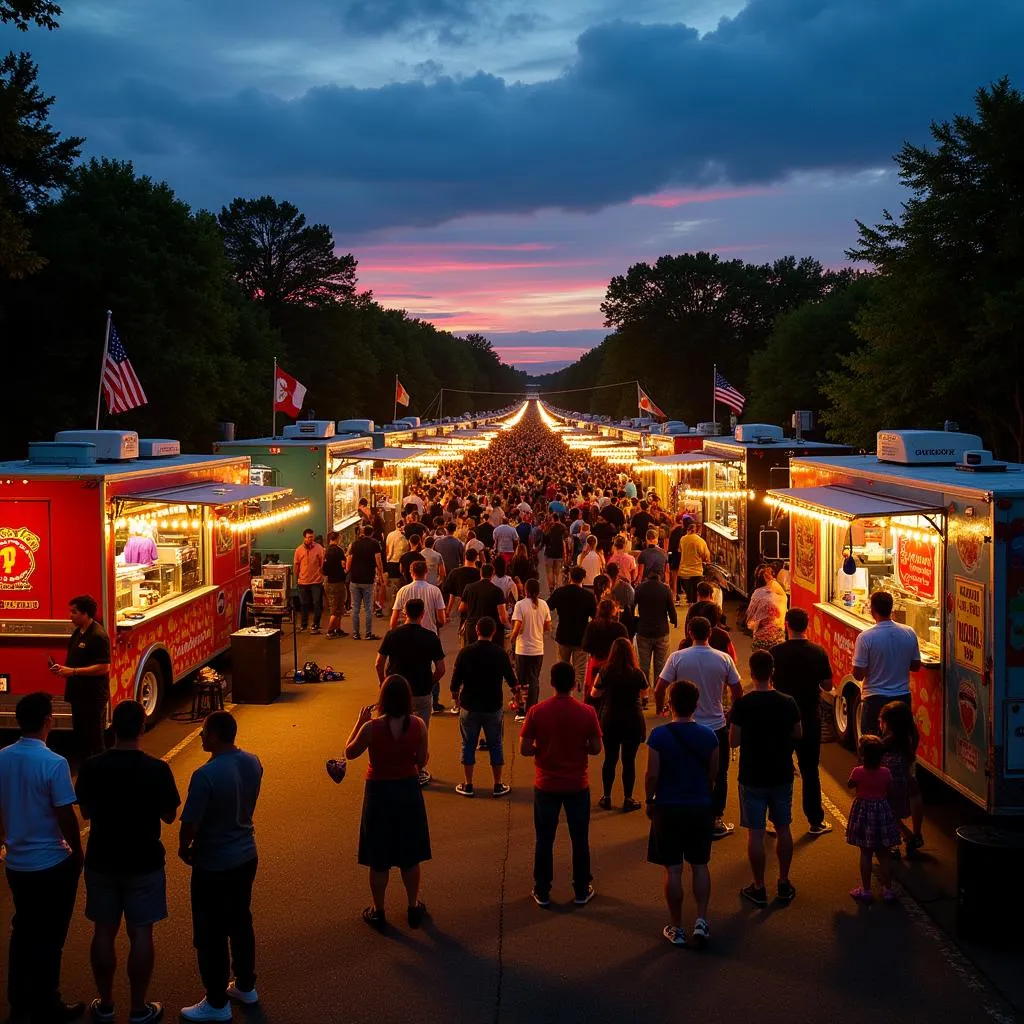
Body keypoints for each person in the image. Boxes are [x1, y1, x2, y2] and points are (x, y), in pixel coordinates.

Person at [76, 699, 181, 1024]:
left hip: (102, 859)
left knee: (103, 933)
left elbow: (86, 812)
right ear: (141, 728)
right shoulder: (157, 769)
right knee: (141, 935)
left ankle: (105, 1004)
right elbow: (168, 815)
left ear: (113, 729)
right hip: (144, 861)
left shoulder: (92, 767)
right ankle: (138, 1008)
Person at [0, 692, 84, 1024]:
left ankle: (19, 1002)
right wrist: (77, 851)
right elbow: (65, 815)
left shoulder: (3, 757)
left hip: (17, 864)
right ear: (48, 721)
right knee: (51, 937)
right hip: (52, 863)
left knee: (23, 931)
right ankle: (49, 1001)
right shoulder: (54, 763)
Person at [178, 711, 264, 1022]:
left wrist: (183, 847)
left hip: (214, 862)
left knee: (210, 932)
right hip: (246, 855)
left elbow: (190, 823)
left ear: (214, 735)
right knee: (240, 921)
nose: (200, 736)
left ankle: (216, 1002)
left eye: (203, 731)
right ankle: (245, 984)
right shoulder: (253, 762)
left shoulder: (206, 775)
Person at [347, 675, 431, 931]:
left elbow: (350, 752)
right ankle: (413, 906)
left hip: (379, 792)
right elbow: (421, 760)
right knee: (409, 855)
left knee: (379, 856)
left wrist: (359, 722)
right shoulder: (417, 725)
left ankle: (379, 910)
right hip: (407, 790)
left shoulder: (372, 728)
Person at [520, 662, 603, 908]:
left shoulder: (537, 711)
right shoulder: (587, 712)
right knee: (579, 838)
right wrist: (582, 748)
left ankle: (542, 889)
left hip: (546, 783)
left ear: (552, 683)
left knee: (545, 838)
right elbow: (597, 748)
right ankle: (580, 888)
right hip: (577, 782)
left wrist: (541, 749)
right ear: (575, 684)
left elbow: (525, 748)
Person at [644, 680, 719, 948]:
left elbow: (652, 774)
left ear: (670, 704)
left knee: (673, 870)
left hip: (668, 807)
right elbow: (713, 774)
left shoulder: (659, 736)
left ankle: (676, 927)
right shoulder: (709, 736)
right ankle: (701, 920)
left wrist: (649, 799)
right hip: (699, 806)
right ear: (696, 705)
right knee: (700, 865)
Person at [656, 617, 742, 840]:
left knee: (682, 770)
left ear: (689, 633)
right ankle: (715, 819)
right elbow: (737, 690)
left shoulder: (677, 658)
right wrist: (730, 713)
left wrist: (660, 707)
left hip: (683, 725)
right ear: (710, 634)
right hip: (716, 726)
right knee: (719, 773)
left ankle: (683, 816)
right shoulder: (723, 659)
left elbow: (660, 687)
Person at [730, 651, 802, 907]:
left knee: (756, 834)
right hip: (781, 772)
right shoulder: (788, 702)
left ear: (751, 672)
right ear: (772, 672)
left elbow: (734, 740)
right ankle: (783, 881)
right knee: (783, 828)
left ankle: (759, 886)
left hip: (752, 774)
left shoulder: (743, 704)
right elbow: (797, 732)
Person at [770, 608, 834, 835]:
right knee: (810, 770)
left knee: (778, 768)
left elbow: (769, 683)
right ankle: (816, 821)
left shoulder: (776, 652)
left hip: (781, 718)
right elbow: (827, 685)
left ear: (787, 624)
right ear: (807, 625)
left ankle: (775, 820)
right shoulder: (818, 652)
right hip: (809, 717)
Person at [376, 598, 446, 783]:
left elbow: (379, 663)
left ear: (405, 613)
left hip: (395, 691)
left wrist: (384, 682)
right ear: (423, 614)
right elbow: (441, 669)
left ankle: (394, 766)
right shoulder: (431, 637)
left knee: (391, 729)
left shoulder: (392, 635)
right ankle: (419, 769)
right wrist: (429, 682)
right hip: (421, 690)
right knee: (420, 731)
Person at [450, 617, 518, 797]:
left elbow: (455, 681)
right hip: (493, 705)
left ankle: (468, 784)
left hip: (469, 704)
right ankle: (498, 784)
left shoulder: (465, 652)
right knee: (496, 744)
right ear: (494, 632)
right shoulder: (500, 653)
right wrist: (517, 694)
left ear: (477, 631)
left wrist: (455, 697)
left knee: (468, 745)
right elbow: (512, 680)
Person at [49, 594, 111, 760]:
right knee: (81, 735)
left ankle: (99, 771)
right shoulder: (78, 632)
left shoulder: (98, 636)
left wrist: (73, 671)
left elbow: (104, 667)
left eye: (74, 612)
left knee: (95, 738)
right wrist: (63, 670)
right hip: (78, 695)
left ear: (85, 614)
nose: (70, 615)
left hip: (92, 697)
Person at [853, 590, 922, 737]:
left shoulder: (865, 637)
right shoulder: (909, 632)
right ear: (892, 609)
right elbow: (916, 666)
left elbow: (858, 675)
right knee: (899, 743)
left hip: (874, 699)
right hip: (902, 699)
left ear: (872, 610)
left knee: (873, 746)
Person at [590, 637, 647, 811]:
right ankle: (628, 798)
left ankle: (606, 796)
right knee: (629, 761)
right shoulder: (638, 674)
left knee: (610, 759)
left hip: (610, 719)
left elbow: (595, 694)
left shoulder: (605, 671)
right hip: (632, 719)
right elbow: (645, 697)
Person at [846, 735, 901, 903]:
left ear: (862, 755)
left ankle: (866, 890)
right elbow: (890, 790)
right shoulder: (885, 772)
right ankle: (888, 890)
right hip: (882, 811)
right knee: (884, 853)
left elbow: (850, 784)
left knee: (866, 852)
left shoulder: (858, 772)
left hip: (863, 812)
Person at [879, 700, 925, 854]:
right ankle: (917, 833)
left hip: (893, 783)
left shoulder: (887, 743)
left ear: (888, 725)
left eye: (882, 721)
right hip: (910, 776)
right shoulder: (912, 735)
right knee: (915, 798)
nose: (880, 724)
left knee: (889, 809)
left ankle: (903, 837)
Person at [547, 565, 597, 693]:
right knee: (580, 668)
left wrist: (550, 625)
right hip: (581, 637)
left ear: (570, 576)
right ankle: (576, 691)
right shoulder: (588, 596)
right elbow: (595, 616)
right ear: (583, 578)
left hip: (563, 635)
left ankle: (560, 692)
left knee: (562, 666)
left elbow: (547, 607)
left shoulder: (560, 592)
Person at [509, 578, 552, 717]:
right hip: (538, 649)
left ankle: (523, 709)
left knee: (522, 680)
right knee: (534, 678)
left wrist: (512, 638)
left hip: (523, 649)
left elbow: (517, 627)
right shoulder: (544, 605)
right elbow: (548, 627)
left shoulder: (520, 605)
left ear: (525, 590)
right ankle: (533, 707)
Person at [634, 568, 677, 692]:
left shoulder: (640, 588)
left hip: (643, 630)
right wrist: (674, 620)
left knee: (644, 665)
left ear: (647, 577)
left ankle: (644, 693)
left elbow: (632, 605)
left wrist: (633, 623)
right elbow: (671, 608)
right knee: (660, 665)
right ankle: (658, 692)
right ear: (660, 577)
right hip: (661, 631)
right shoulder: (665, 589)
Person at [580, 598, 627, 696]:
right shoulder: (620, 628)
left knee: (594, 692)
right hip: (615, 664)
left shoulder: (592, 626)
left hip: (596, 662)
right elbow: (625, 646)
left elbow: (585, 646)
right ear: (613, 611)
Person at [346, 524, 385, 641]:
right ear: (372, 533)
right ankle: (368, 634)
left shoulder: (354, 544)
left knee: (355, 608)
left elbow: (348, 562)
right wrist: (381, 576)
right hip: (368, 580)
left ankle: (356, 633)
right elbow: (378, 561)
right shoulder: (374, 544)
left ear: (362, 532)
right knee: (368, 608)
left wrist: (348, 570)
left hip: (355, 579)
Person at [459, 563, 511, 648]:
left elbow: (462, 608)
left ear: (480, 573)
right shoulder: (497, 591)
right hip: (491, 630)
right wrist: (509, 626)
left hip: (472, 628)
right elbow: (502, 616)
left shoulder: (469, 588)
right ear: (493, 574)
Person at [390, 559, 447, 635]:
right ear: (426, 572)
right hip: (430, 634)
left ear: (411, 573)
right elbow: (442, 620)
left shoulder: (403, 590)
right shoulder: (435, 591)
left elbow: (394, 620)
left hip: (408, 635)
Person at [745, 565, 786, 650]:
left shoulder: (756, 594)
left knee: (762, 659)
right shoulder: (776, 592)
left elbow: (750, 615)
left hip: (760, 635)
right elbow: (784, 598)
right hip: (776, 634)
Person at [293, 528, 325, 634]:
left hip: (316, 581)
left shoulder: (319, 548)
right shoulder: (298, 550)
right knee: (304, 603)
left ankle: (316, 624)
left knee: (316, 603)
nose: (311, 539)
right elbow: (296, 566)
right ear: (304, 538)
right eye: (309, 537)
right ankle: (304, 624)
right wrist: (296, 578)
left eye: (312, 537)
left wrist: (321, 575)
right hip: (303, 582)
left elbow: (322, 563)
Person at [323, 531, 350, 639]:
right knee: (336, 608)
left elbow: (324, 569)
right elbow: (344, 565)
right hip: (338, 582)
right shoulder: (339, 551)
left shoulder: (326, 551)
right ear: (337, 538)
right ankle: (330, 630)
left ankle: (337, 629)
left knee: (337, 607)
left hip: (329, 581)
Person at [677, 519, 710, 604]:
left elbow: (680, 551)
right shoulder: (700, 541)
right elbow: (706, 556)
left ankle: (691, 609)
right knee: (696, 597)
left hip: (684, 572)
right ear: (696, 530)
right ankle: (694, 611)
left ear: (688, 530)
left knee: (690, 597)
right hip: (696, 572)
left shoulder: (682, 539)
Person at [605, 562, 635, 638]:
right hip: (625, 626)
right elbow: (632, 605)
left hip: (609, 626)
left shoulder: (604, 588)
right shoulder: (627, 588)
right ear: (618, 573)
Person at [542, 514, 569, 595]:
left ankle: (551, 588)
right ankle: (557, 586)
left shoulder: (549, 528)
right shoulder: (563, 528)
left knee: (549, 571)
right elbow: (566, 540)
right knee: (558, 571)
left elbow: (544, 540)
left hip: (550, 552)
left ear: (553, 519)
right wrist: (566, 553)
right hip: (559, 553)